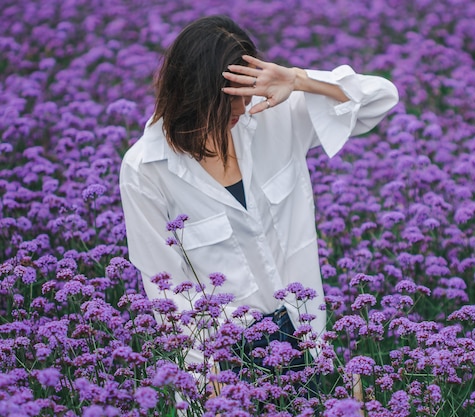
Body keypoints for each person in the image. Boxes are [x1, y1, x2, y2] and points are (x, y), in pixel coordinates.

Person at [119, 15, 398, 378]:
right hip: (225, 361)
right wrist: (203, 381)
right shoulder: (145, 169)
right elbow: (164, 289)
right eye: (227, 101)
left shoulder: (270, 113)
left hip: (305, 335)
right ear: (192, 97)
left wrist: (299, 80)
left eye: (245, 94)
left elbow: (379, 99)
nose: (240, 109)